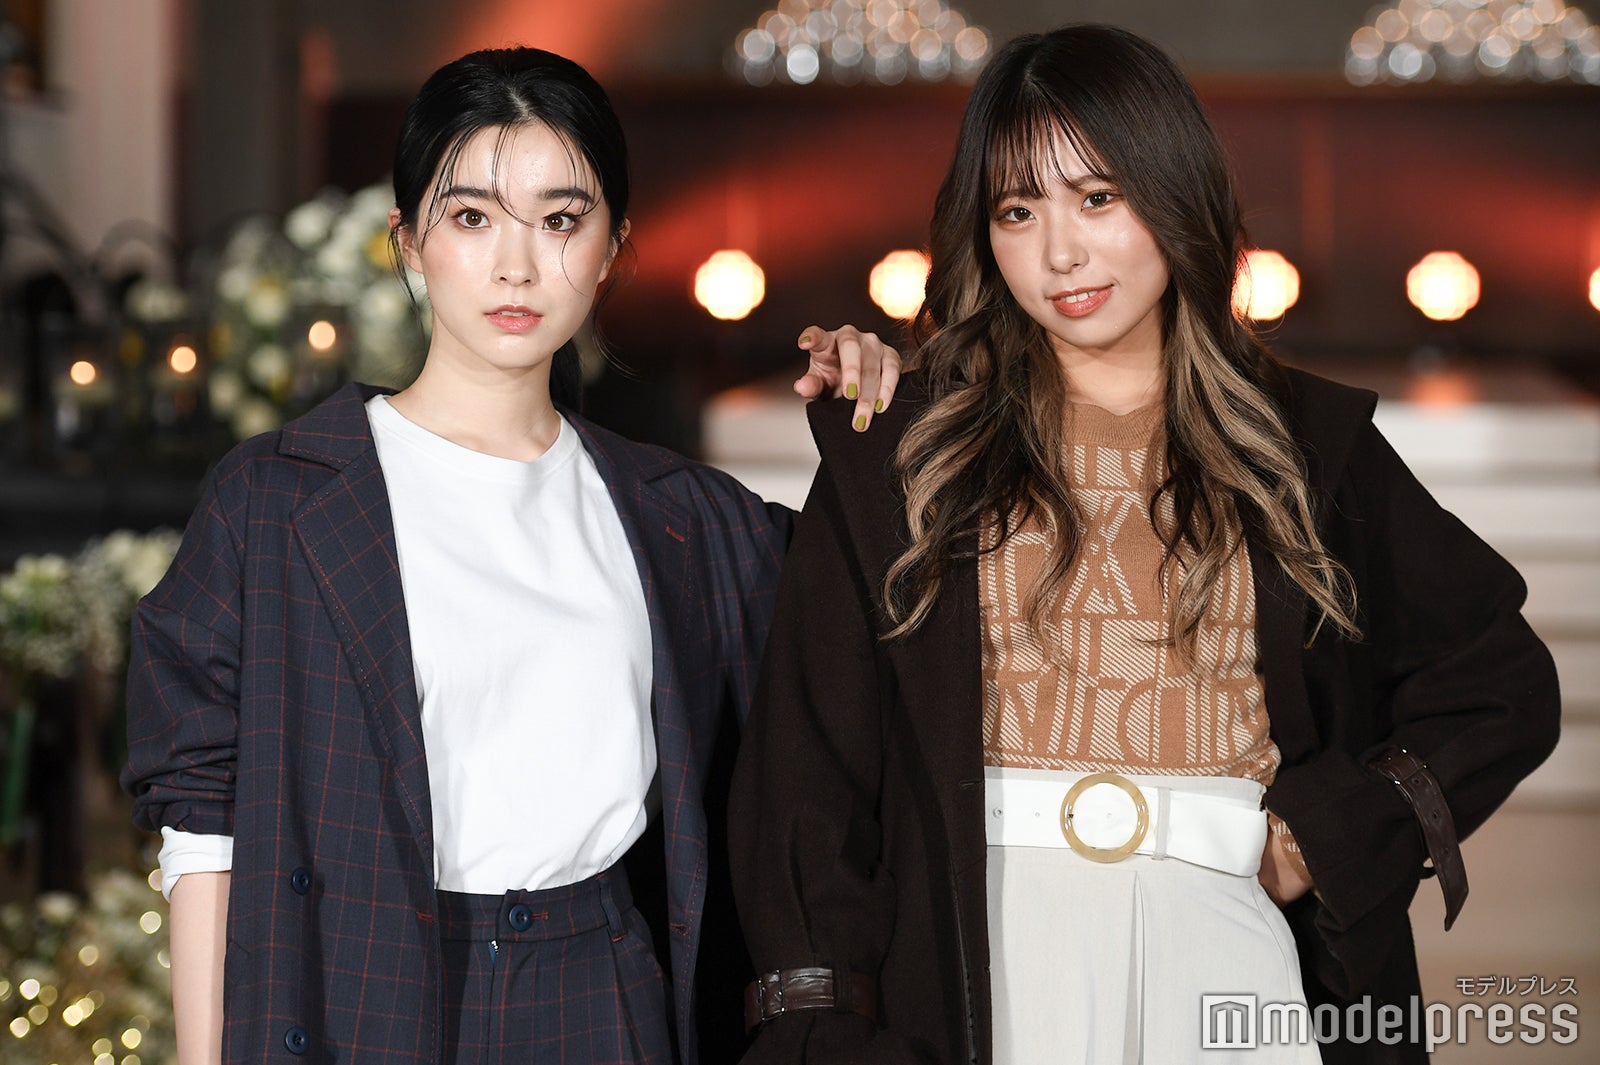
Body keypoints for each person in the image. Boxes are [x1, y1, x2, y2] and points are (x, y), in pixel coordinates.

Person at [728, 24, 1560, 1065]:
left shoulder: (1297, 443)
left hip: (1221, 946)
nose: (1060, 253)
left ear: (1172, 192)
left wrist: (1321, 837)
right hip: (975, 960)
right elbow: (808, 779)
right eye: (1017, 210)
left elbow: (1499, 678)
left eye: (1098, 197)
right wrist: (820, 1026)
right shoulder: (908, 446)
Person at [121, 47, 900, 1065]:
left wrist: (885, 417)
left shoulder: (689, 521)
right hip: (363, 987)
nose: (517, 266)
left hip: (602, 994)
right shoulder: (277, 502)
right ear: (408, 242)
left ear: (614, 246)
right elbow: (205, 824)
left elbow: (869, 651)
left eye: (561, 220)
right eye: (472, 217)